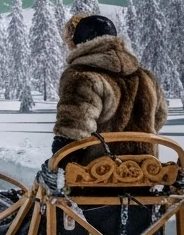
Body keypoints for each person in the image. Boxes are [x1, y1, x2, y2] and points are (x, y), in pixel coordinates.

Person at [39, 13, 168, 190]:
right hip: (144, 174)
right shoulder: (145, 77)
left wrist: (55, 166)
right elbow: (159, 117)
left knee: (43, 183)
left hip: (96, 177)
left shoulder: (82, 76)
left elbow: (73, 131)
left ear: (79, 42)